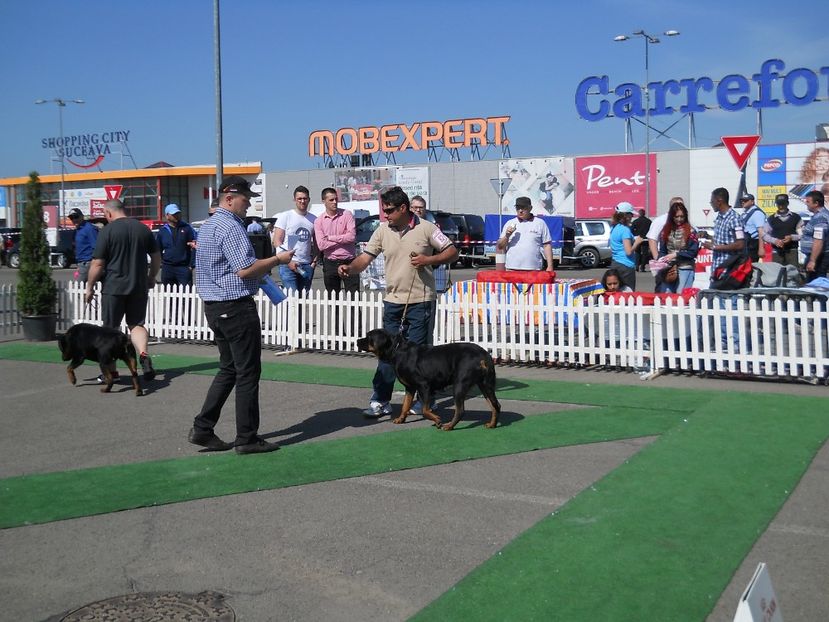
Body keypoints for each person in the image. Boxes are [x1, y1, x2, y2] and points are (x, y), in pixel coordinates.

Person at [189, 175, 294, 454]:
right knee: (247, 372)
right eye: (246, 200)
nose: (248, 206)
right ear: (229, 198)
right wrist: (277, 260)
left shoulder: (209, 225)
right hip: (235, 306)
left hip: (214, 306)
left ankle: (203, 428)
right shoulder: (231, 227)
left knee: (229, 369)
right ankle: (246, 437)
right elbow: (245, 269)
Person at [338, 186, 458, 418]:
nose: (386, 215)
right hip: (392, 302)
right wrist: (349, 268)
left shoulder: (428, 228)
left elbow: (452, 252)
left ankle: (424, 401)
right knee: (385, 354)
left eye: (390, 211)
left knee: (419, 358)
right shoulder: (382, 231)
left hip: (421, 302)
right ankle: (380, 400)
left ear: (403, 208)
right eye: (384, 211)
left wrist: (429, 259)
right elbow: (364, 258)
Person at [84, 199, 160, 384]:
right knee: (136, 324)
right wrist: (151, 277)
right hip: (138, 285)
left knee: (110, 330)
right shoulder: (143, 229)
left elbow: (98, 263)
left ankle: (111, 372)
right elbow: (157, 257)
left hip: (114, 287)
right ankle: (143, 354)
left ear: (109, 213)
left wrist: (90, 286)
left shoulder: (107, 231)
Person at [313, 187, 359, 295]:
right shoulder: (319, 221)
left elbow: (352, 237)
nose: (335, 202)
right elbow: (321, 245)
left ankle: (354, 313)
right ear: (323, 201)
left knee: (354, 299)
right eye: (331, 200)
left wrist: (330, 238)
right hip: (330, 263)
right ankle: (336, 313)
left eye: (336, 199)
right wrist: (343, 239)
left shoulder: (347, 214)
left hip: (349, 261)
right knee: (333, 300)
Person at [272, 185, 317, 293]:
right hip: (288, 265)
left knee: (302, 300)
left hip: (306, 265)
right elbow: (277, 241)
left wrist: (313, 263)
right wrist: (288, 261)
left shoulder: (314, 219)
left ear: (309, 200)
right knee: (292, 300)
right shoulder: (285, 216)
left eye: (305, 198)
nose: (302, 201)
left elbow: (317, 243)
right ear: (294, 200)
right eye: (299, 198)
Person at [496, 196, 554, 272]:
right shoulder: (509, 223)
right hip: (512, 269)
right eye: (518, 208)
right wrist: (507, 236)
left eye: (523, 208)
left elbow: (547, 245)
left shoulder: (540, 223)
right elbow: (500, 246)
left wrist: (550, 266)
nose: (520, 211)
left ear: (530, 208)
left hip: (534, 269)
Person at [655, 201, 700, 293]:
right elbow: (662, 250)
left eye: (682, 216)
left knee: (681, 296)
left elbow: (693, 252)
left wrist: (676, 255)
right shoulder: (665, 231)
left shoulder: (691, 231)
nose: (679, 219)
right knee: (666, 295)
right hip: (669, 268)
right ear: (671, 216)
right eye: (676, 216)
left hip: (685, 267)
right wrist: (660, 260)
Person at [701, 187, 744, 273]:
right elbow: (722, 239)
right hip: (717, 267)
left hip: (728, 269)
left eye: (712, 201)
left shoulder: (734, 219)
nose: (711, 204)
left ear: (719, 201)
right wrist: (707, 236)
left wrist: (715, 247)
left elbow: (740, 244)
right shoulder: (719, 218)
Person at [155, 204, 196, 286]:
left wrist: (191, 265)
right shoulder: (162, 231)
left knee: (186, 295)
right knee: (169, 294)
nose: (177, 216)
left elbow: (194, 246)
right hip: (167, 268)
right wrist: (162, 262)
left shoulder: (187, 228)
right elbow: (157, 249)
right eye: (174, 214)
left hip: (183, 267)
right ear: (167, 216)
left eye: (178, 213)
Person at [608, 202, 644, 291]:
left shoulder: (614, 228)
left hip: (616, 262)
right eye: (631, 214)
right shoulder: (625, 230)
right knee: (628, 293)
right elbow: (628, 251)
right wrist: (637, 242)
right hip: (626, 265)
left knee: (616, 292)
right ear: (626, 215)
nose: (632, 217)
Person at [763, 194, 802, 266]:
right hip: (776, 251)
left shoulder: (796, 217)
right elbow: (764, 234)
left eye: (783, 203)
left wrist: (792, 237)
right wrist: (775, 241)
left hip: (792, 251)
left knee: (792, 274)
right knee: (777, 274)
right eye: (778, 204)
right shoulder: (771, 219)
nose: (781, 206)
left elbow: (802, 235)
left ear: (787, 203)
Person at [800, 190, 829, 281]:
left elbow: (818, 239)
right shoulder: (818, 216)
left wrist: (812, 261)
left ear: (816, 203)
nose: (806, 204)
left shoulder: (820, 217)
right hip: (817, 256)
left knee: (816, 285)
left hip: (819, 257)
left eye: (808, 202)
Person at [67, 208, 98, 282]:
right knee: (83, 288)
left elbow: (96, 246)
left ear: (82, 216)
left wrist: (95, 264)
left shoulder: (89, 228)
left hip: (88, 262)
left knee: (78, 288)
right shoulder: (77, 230)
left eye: (76, 217)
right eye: (72, 218)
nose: (74, 220)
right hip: (81, 263)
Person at [739, 194, 766, 262]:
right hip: (746, 244)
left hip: (753, 244)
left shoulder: (757, 213)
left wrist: (761, 248)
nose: (743, 202)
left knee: (751, 267)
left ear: (752, 202)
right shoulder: (745, 213)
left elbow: (761, 231)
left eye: (745, 200)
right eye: (742, 200)